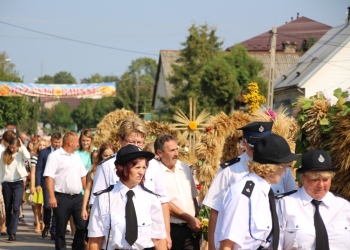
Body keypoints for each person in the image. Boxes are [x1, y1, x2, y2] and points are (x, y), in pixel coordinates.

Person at [202, 122, 298, 250]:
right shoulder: (243, 195)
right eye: (284, 166)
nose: (286, 172)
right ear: (270, 168)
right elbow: (227, 245)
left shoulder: (263, 191)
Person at [90, 117, 172, 249]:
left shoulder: (153, 166)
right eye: (131, 142)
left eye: (139, 142)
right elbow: (97, 205)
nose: (136, 146)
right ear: (120, 141)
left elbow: (162, 201)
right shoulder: (107, 166)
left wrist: (166, 233)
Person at [278, 149, 350, 249]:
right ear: (303, 178)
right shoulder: (285, 205)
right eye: (314, 180)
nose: (320, 185)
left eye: (325, 180)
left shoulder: (344, 207)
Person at [152, 134, 201, 250]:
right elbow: (164, 203)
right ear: (160, 153)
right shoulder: (154, 172)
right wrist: (189, 218)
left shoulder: (184, 167)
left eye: (177, 149)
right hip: (169, 230)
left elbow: (193, 197)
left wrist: (196, 219)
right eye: (172, 150)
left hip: (190, 230)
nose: (176, 154)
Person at [44, 132, 87, 250]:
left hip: (78, 197)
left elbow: (83, 176)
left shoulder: (76, 156)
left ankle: (77, 247)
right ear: (70, 143)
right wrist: (51, 197)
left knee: (82, 226)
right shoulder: (54, 156)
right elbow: (49, 177)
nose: (78, 144)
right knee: (61, 228)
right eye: (77, 142)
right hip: (62, 197)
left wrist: (88, 194)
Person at [81, 143, 115, 249]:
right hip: (96, 205)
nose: (108, 158)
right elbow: (87, 189)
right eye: (106, 156)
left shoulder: (117, 169)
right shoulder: (94, 169)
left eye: (111, 155)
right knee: (95, 236)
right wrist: (84, 208)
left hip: (113, 205)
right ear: (101, 155)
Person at [0, 137, 31, 241]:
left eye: (14, 148)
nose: (12, 149)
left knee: (16, 207)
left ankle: (13, 232)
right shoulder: (4, 154)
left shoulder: (20, 153)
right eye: (11, 147)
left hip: (18, 182)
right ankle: (9, 228)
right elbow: (1, 170)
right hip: (6, 182)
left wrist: (21, 146)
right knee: (8, 207)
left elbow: (28, 156)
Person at [35, 132, 62, 239]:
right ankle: (46, 224)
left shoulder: (62, 153)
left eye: (59, 142)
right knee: (47, 206)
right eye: (55, 142)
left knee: (56, 207)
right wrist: (38, 184)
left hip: (58, 183)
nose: (57, 144)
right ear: (51, 142)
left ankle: (54, 230)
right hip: (46, 183)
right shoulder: (44, 152)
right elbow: (39, 169)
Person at [0, 130, 17, 235]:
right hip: (2, 179)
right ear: (5, 141)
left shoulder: (14, 150)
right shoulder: (1, 150)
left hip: (9, 180)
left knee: (4, 204)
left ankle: (3, 225)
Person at [30, 139, 47, 233]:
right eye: (40, 145)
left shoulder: (48, 156)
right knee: (37, 205)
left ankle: (44, 223)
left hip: (46, 182)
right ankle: (37, 224)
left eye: (44, 145)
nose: (41, 147)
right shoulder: (34, 157)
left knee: (45, 206)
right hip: (37, 182)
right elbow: (33, 173)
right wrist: (33, 185)